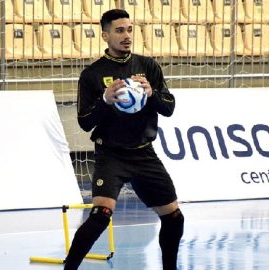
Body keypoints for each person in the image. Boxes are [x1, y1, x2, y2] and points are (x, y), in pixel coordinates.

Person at [64, 9, 184, 270]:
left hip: (144, 154)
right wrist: (105, 100)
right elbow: (85, 122)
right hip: (112, 155)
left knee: (174, 217)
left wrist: (152, 94)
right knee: (100, 215)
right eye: (120, 30)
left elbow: (169, 108)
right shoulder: (92, 75)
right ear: (105, 35)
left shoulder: (148, 66)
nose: (127, 35)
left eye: (130, 29)